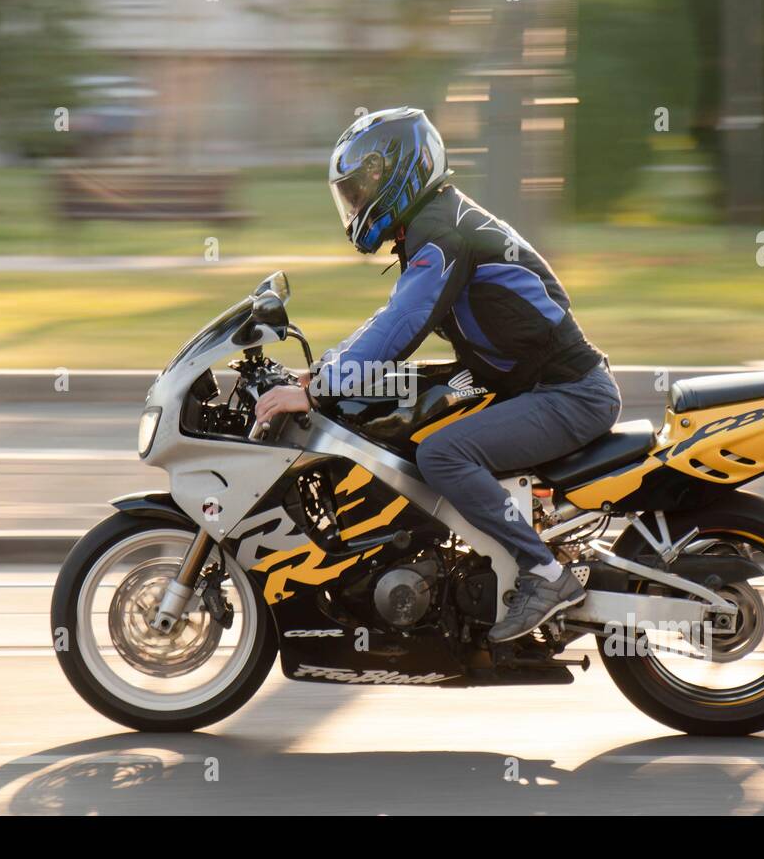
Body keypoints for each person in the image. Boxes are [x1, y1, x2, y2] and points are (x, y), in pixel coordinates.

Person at [254, 107, 621, 642]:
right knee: (403, 417)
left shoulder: (442, 234)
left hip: (569, 394)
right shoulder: (436, 224)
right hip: (534, 385)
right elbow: (393, 321)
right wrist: (320, 377)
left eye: (359, 189)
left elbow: (401, 327)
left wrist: (318, 389)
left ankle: (544, 574)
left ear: (399, 172)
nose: (355, 204)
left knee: (442, 453)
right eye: (349, 194)